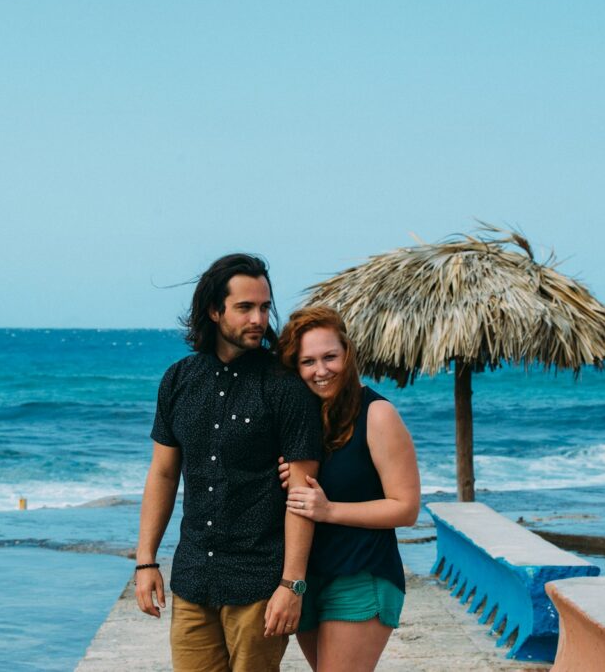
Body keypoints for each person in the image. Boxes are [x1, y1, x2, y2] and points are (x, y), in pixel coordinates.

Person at [135, 253, 323, 672]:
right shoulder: (178, 380)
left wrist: (292, 584)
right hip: (193, 578)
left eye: (264, 307)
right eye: (245, 308)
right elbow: (163, 474)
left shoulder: (286, 389)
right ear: (214, 311)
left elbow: (302, 493)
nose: (258, 318)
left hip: (260, 581)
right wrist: (146, 560)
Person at [275, 306, 421, 672]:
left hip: (361, 573)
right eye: (308, 361)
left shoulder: (377, 414)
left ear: (348, 354)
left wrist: (329, 510)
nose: (320, 371)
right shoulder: (302, 419)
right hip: (308, 580)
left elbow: (406, 508)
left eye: (330, 357)